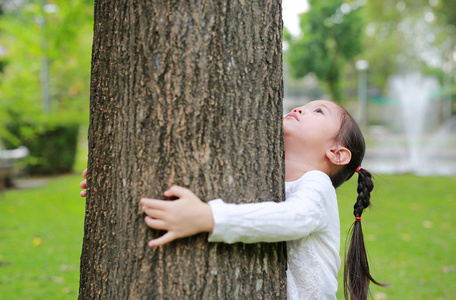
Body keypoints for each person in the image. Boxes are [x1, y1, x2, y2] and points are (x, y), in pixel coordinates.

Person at [80, 100, 386, 300]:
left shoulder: (317, 186)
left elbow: (293, 219)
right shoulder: (271, 181)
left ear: (337, 153)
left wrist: (208, 218)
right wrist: (113, 189)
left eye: (319, 111)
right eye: (306, 105)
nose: (302, 109)